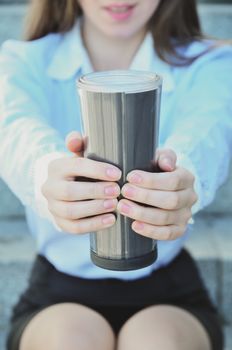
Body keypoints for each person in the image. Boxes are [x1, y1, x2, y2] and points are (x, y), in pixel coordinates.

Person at [0, 0, 232, 349]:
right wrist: (48, 175)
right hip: (58, 289)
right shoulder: (22, 61)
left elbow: (207, 131)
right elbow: (16, 130)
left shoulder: (212, 61)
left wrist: (181, 178)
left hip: (168, 290)